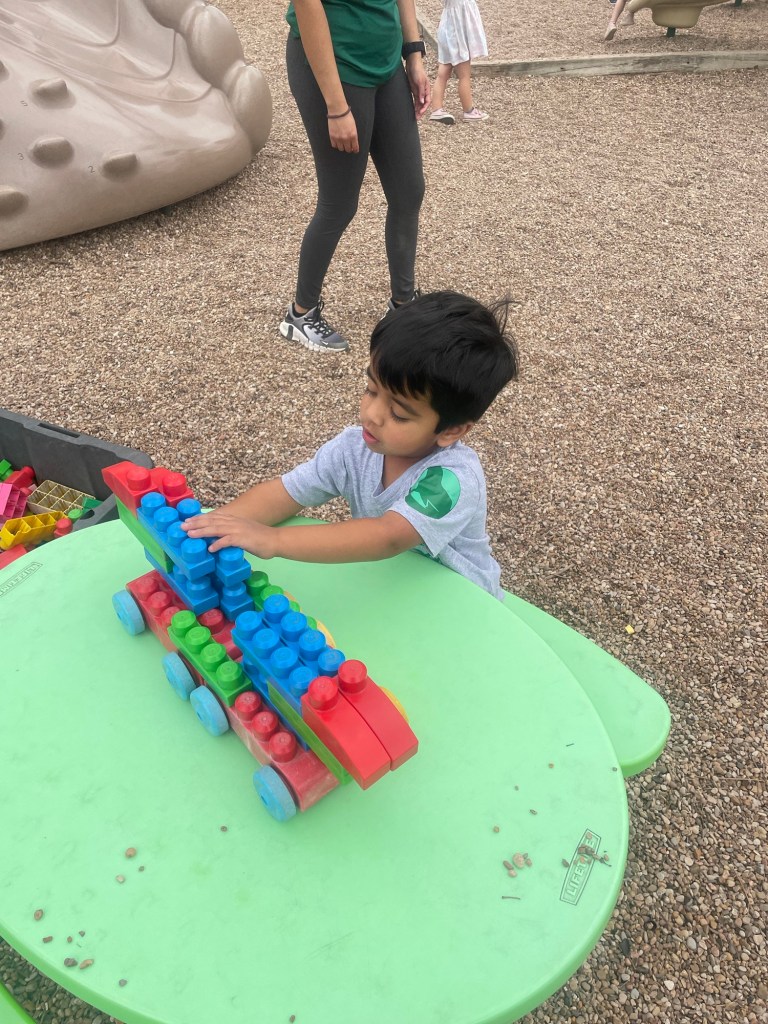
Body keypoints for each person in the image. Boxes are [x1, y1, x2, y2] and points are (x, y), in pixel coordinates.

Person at [182, 291, 519, 600]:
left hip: (461, 602)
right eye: (371, 390)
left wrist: (271, 540)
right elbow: (286, 493)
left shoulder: (451, 479)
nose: (371, 415)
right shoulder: (353, 449)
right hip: (389, 587)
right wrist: (204, 531)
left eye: (399, 414)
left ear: (452, 430)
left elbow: (388, 536)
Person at [278, 0, 431, 355]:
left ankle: (403, 304)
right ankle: (300, 314)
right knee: (339, 203)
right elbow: (308, 7)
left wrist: (414, 55)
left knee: (409, 191)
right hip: (336, 66)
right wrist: (336, 107)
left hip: (386, 62)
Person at [429, 0, 489, 126]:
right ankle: (468, 110)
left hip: (446, 31)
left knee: (443, 73)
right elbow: (463, 21)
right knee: (464, 75)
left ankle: (436, 109)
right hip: (457, 37)